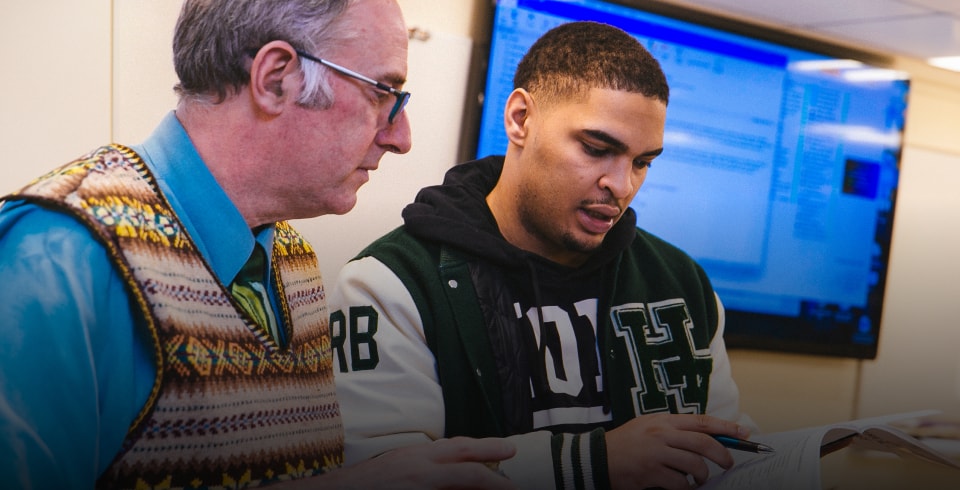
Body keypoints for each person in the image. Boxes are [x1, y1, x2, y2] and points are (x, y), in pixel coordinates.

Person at [0, 1, 517, 489]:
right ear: (276, 79)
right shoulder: (62, 256)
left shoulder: (293, 263)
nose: (401, 136)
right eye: (382, 92)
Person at [330, 20, 757, 490]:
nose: (622, 185)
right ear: (519, 119)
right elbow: (387, 476)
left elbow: (726, 454)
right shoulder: (392, 283)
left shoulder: (680, 282)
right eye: (596, 149)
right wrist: (591, 463)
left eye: (642, 162)